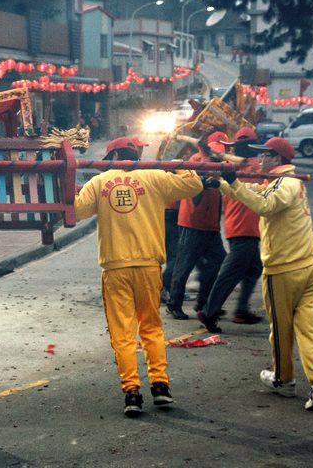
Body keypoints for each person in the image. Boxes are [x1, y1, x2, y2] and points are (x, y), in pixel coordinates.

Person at [74, 137, 205, 417]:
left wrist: (66, 190)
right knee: (151, 327)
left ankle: (132, 392)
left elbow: (75, 211)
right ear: (135, 155)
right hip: (148, 266)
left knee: (123, 333)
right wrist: (177, 164)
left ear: (110, 157)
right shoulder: (154, 175)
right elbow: (195, 184)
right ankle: (160, 386)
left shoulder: (99, 183)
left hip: (115, 268)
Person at [218, 136, 313, 412]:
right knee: (308, 327)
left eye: (264, 156)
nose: (259, 160)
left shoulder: (283, 184)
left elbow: (262, 205)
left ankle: (284, 379)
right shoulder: (291, 183)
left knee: (280, 329)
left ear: (276, 159)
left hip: (284, 269)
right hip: (307, 266)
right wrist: (222, 184)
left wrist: (232, 183)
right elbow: (255, 194)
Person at [198, 126, 265, 332]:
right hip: (245, 226)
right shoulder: (254, 166)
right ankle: (209, 311)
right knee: (229, 273)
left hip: (240, 224)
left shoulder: (232, 166)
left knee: (254, 269)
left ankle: (241, 310)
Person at [165, 131, 227, 321]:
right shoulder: (195, 161)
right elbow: (189, 178)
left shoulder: (222, 163)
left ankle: (204, 301)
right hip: (192, 222)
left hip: (211, 225)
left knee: (219, 262)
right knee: (184, 265)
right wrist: (204, 179)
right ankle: (174, 304)